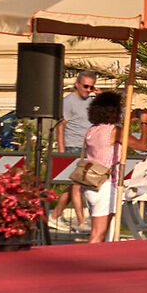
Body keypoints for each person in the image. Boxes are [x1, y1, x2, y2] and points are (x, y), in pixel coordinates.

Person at [56, 72, 99, 232]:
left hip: (88, 148)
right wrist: (61, 152)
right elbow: (61, 126)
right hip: (72, 147)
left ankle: (54, 215)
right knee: (77, 186)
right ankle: (82, 221)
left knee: (76, 185)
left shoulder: (92, 101)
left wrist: (101, 98)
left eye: (91, 87)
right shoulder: (68, 101)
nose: (88, 90)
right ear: (77, 84)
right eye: (86, 86)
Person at [80, 91, 124, 245]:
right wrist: (144, 124)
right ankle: (87, 264)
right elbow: (142, 145)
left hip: (91, 183)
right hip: (105, 185)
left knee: (102, 233)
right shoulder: (114, 131)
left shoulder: (92, 130)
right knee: (97, 235)